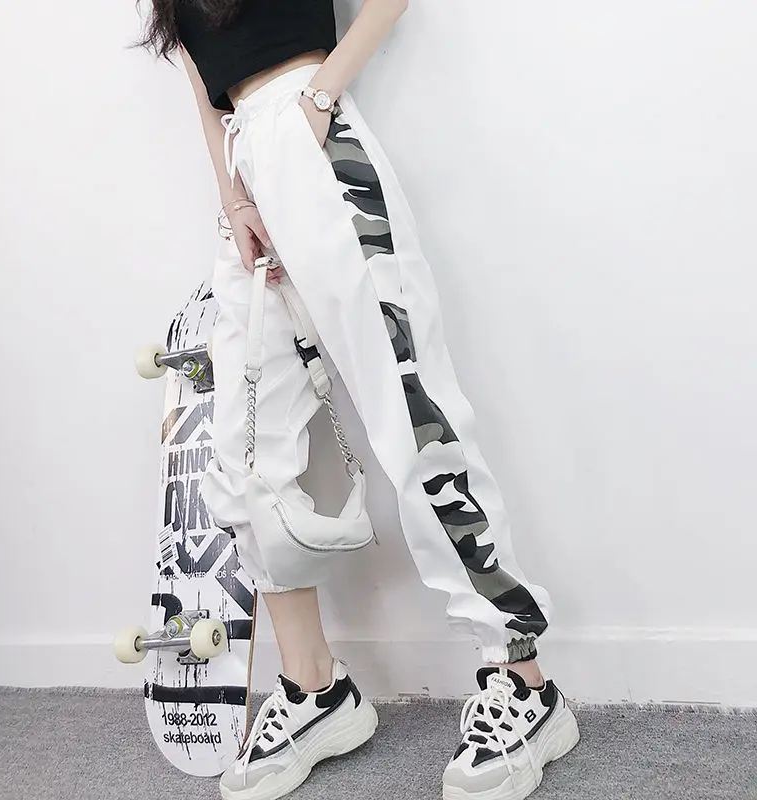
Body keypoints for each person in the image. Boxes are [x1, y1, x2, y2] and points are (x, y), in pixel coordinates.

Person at [138, 2, 579, 799]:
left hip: (319, 146)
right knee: (243, 454)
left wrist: (319, 99)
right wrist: (234, 197)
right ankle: (317, 692)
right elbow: (204, 86)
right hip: (246, 173)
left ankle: (523, 682)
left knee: (412, 415)